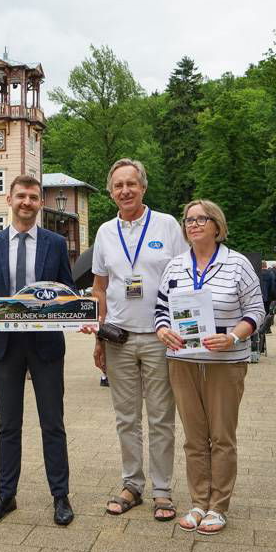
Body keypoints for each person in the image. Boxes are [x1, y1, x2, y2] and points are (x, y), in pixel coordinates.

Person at [155, 199, 264, 535]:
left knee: (222, 437)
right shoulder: (174, 266)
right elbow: (160, 309)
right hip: (183, 362)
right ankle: (199, 502)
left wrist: (232, 337)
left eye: (201, 219)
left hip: (224, 363)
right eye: (189, 220)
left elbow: (256, 311)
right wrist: (163, 330)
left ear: (217, 225)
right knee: (194, 438)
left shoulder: (237, 264)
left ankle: (219, 506)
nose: (194, 224)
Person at [0, 175, 76, 526]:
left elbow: (67, 289)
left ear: (40, 203)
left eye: (33, 197)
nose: (27, 202)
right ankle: (6, 495)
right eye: (21, 196)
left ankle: (60, 496)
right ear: (9, 200)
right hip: (6, 343)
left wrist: (76, 311)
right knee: (8, 425)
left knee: (53, 423)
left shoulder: (55, 243)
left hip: (46, 343)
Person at [89, 158, 188, 522]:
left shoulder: (167, 225)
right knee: (126, 418)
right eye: (118, 185)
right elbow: (100, 288)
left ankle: (162, 490)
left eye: (131, 184)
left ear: (143, 187)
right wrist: (99, 338)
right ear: (111, 192)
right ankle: (132, 484)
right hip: (118, 338)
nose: (125, 190)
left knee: (161, 418)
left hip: (160, 337)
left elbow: (184, 278)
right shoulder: (104, 232)